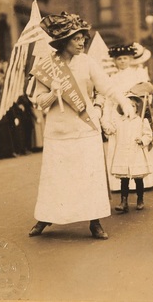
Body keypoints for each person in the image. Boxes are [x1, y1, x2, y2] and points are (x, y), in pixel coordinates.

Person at [27, 12, 135, 239]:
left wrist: (124, 102)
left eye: (83, 38)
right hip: (58, 129)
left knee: (90, 176)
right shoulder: (47, 65)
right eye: (76, 38)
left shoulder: (87, 62)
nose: (82, 42)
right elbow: (38, 101)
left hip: (86, 128)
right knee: (56, 177)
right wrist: (52, 92)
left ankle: (94, 221)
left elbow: (107, 87)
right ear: (63, 41)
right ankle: (46, 217)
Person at [101, 43, 153, 192]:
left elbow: (147, 96)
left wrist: (140, 107)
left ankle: (141, 179)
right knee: (120, 144)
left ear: (131, 59)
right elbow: (108, 99)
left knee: (136, 143)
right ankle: (120, 181)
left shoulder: (137, 75)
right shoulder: (112, 78)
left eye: (125, 58)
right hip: (117, 114)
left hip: (135, 112)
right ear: (115, 61)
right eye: (119, 59)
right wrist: (106, 119)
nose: (123, 61)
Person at [109, 95, 153, 212]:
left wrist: (142, 140)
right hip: (123, 153)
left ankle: (140, 199)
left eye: (133, 106)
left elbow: (148, 135)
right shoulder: (119, 122)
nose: (130, 108)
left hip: (136, 152)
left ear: (137, 108)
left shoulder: (141, 120)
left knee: (138, 178)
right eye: (127, 106)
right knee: (124, 179)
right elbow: (112, 130)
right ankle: (124, 202)